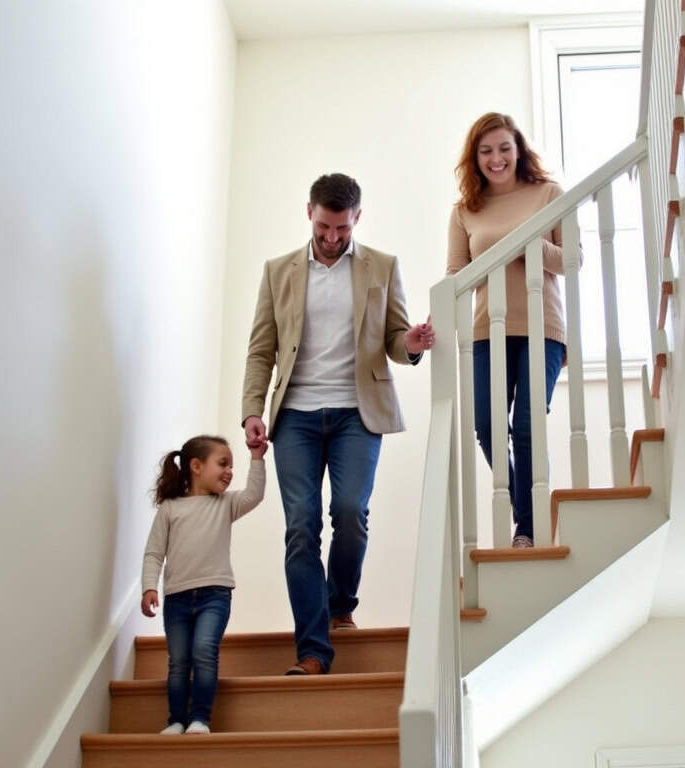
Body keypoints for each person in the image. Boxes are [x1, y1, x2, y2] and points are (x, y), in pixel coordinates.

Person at [242, 173, 435, 676]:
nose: (332, 238)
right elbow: (262, 347)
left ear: (357, 219)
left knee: (350, 512)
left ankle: (341, 602)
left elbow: (394, 336)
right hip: (295, 418)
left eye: (342, 229)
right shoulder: (278, 270)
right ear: (309, 212)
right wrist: (252, 411)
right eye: (325, 226)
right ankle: (311, 651)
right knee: (301, 529)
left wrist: (410, 344)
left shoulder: (382, 267)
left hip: (357, 411)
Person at [447, 112, 577, 549]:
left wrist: (532, 244)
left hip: (544, 327)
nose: (496, 158)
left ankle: (528, 528)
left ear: (518, 148)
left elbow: (572, 260)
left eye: (504, 147)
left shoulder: (548, 194)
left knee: (526, 424)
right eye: (486, 151)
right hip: (487, 331)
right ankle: (529, 510)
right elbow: (455, 275)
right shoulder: (466, 211)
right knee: (486, 426)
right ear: (475, 158)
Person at [140, 434, 267, 735]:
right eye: (223, 463)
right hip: (176, 599)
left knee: (204, 651)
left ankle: (200, 719)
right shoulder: (170, 509)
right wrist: (149, 587)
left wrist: (257, 458)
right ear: (196, 466)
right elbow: (154, 553)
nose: (229, 471)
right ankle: (175, 721)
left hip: (215, 595)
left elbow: (254, 494)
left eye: (231, 466)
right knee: (179, 661)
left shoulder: (226, 505)